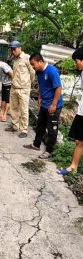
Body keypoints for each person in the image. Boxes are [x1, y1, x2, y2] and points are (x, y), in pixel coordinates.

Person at [23, 53, 64, 159]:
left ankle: (49, 150)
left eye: (33, 64)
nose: (32, 67)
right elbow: (42, 85)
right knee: (40, 125)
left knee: (52, 129)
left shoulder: (51, 71)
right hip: (45, 104)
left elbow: (58, 88)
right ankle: (36, 144)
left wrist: (54, 104)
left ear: (40, 62)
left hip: (53, 106)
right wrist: (40, 97)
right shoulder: (39, 72)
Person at [58, 46, 83, 175]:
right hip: (81, 111)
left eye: (77, 61)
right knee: (79, 141)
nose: (75, 64)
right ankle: (74, 166)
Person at [5, 41, 35, 138]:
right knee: (13, 108)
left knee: (24, 110)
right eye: (11, 49)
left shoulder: (27, 58)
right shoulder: (15, 60)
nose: (13, 51)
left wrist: (27, 83)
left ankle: (24, 130)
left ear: (20, 48)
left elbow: (32, 73)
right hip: (14, 87)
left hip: (24, 89)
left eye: (14, 49)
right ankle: (14, 126)